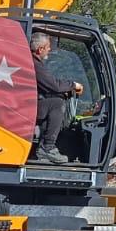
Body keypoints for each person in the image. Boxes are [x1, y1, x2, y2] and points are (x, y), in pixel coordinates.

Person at [31, 32, 84, 164]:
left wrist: (62, 91)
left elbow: (48, 86)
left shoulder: (34, 62)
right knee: (56, 104)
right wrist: (73, 85)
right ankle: (47, 146)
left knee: (54, 101)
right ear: (40, 49)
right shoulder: (35, 64)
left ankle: (44, 146)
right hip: (26, 107)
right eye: (48, 46)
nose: (50, 49)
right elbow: (54, 85)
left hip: (28, 104)